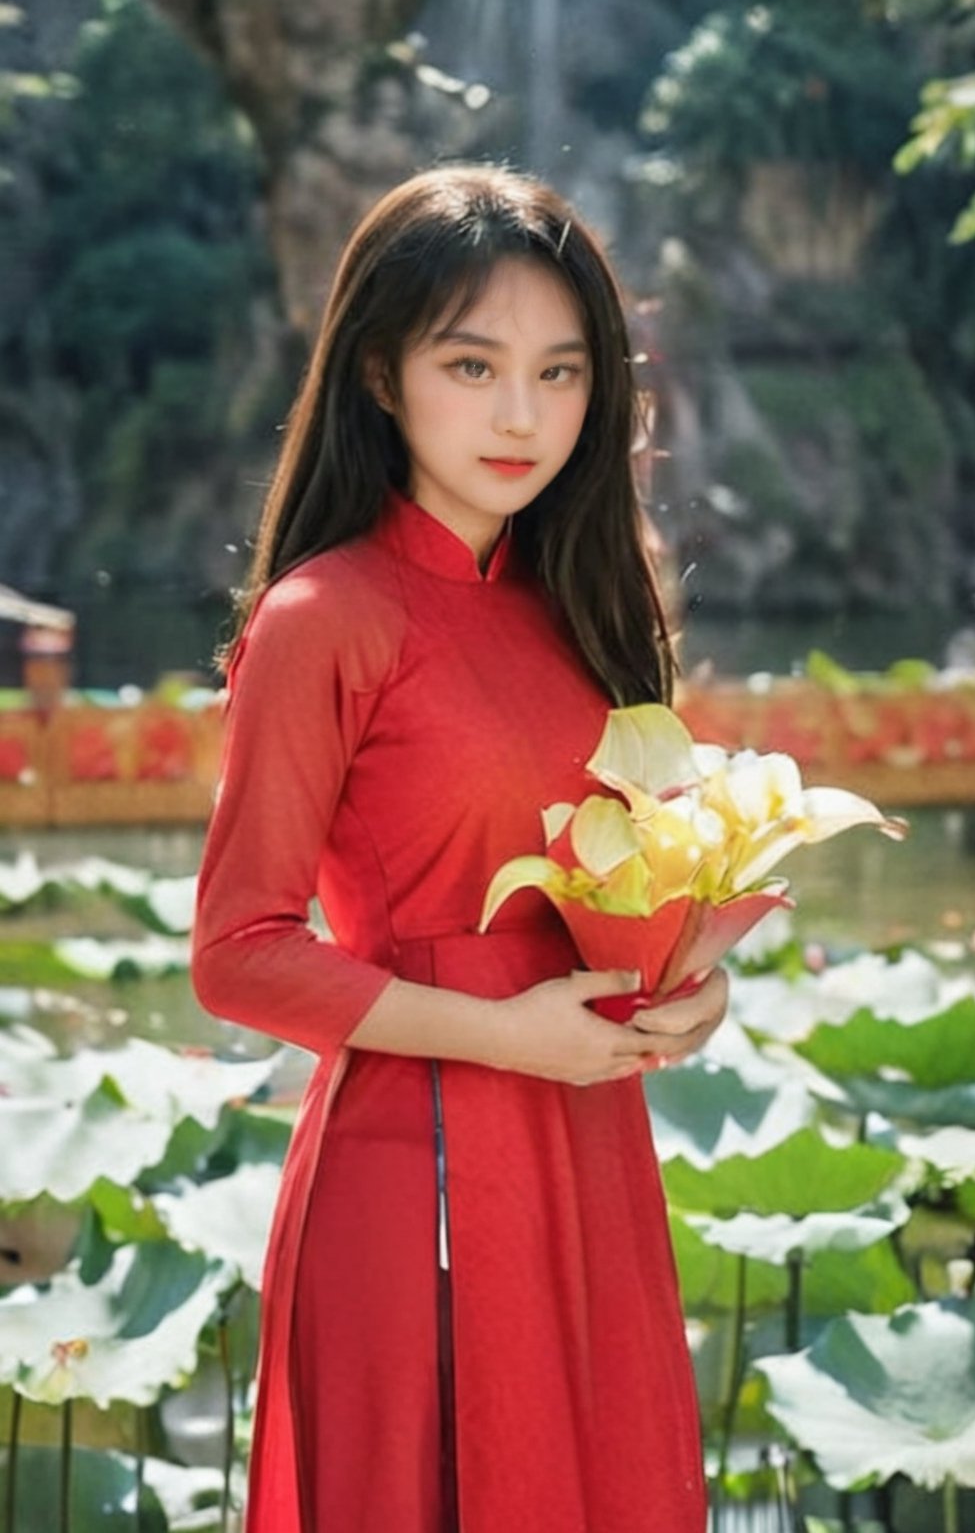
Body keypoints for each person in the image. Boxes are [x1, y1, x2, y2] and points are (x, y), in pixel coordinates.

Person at [191, 163, 729, 1533]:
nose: (519, 415)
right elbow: (238, 957)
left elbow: (621, 886)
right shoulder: (328, 617)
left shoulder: (580, 609)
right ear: (381, 372)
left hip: (587, 1150)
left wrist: (691, 984)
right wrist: (507, 1039)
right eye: (473, 363)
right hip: (417, 1162)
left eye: (559, 374)